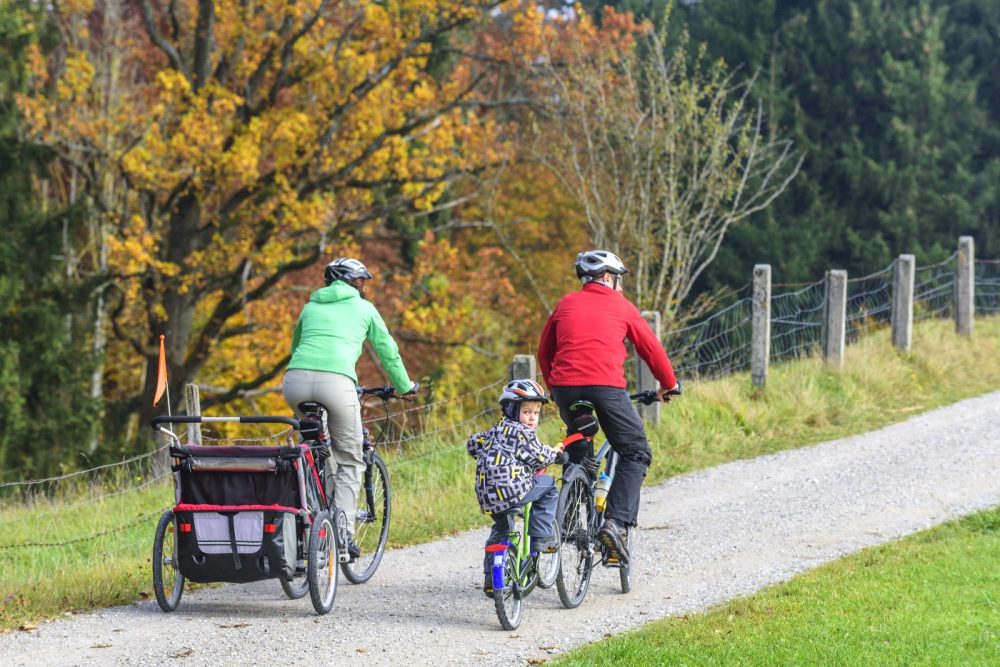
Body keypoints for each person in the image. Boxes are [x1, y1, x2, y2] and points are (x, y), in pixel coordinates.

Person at [537, 249, 679, 562]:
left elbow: (544, 352)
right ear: (606, 277)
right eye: (618, 279)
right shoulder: (621, 306)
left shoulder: (565, 304)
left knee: (580, 450)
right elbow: (651, 350)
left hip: (565, 389)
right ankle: (616, 524)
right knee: (635, 451)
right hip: (606, 388)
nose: (620, 286)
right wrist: (668, 384)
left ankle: (570, 520)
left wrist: (555, 388)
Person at [282, 257, 418, 559]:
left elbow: (295, 348)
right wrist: (405, 386)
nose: (363, 287)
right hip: (336, 383)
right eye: (361, 281)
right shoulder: (364, 308)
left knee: (314, 449)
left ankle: (309, 522)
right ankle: (341, 537)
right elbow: (388, 350)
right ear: (350, 282)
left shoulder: (309, 307)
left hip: (294, 382)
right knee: (351, 459)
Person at [466, 379, 564, 596]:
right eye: (526, 411)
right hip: (514, 491)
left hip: (489, 496)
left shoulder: (496, 430)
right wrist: (556, 453)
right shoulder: (522, 433)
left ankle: (491, 579)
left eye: (536, 413)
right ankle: (541, 538)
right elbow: (541, 457)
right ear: (511, 410)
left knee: (500, 532)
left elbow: (473, 444)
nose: (531, 417)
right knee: (548, 487)